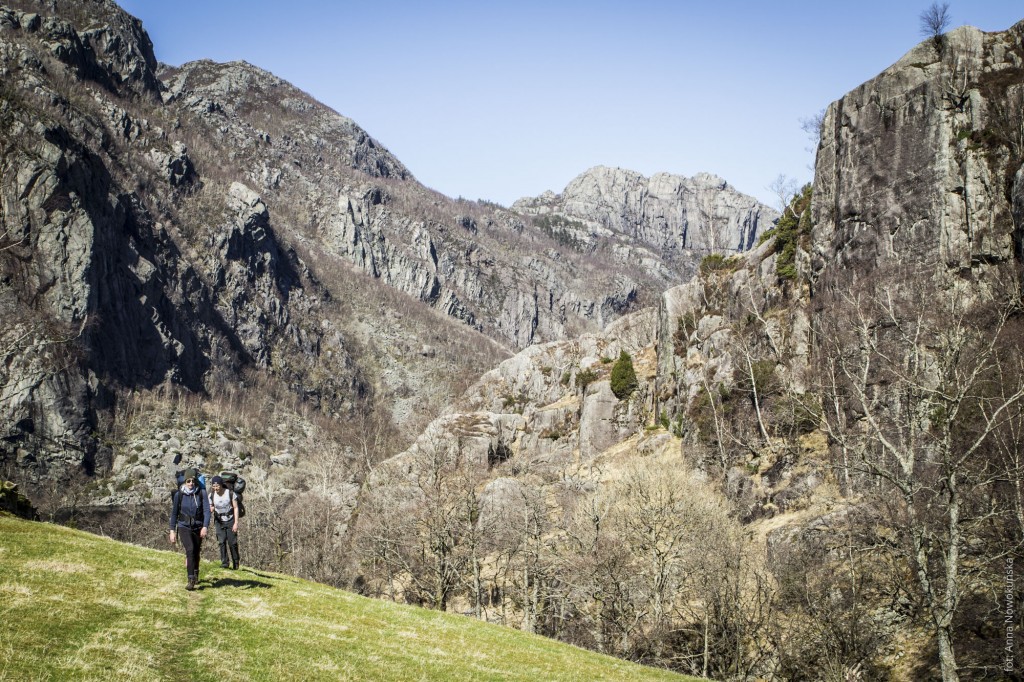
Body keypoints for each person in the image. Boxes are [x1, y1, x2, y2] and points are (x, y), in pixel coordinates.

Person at [168, 468, 209, 590]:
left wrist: (205, 526)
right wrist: (172, 530)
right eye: (188, 481)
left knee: (196, 551)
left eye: (193, 481)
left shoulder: (202, 493)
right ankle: (190, 579)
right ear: (184, 482)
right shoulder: (178, 495)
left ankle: (195, 572)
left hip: (198, 526)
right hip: (183, 526)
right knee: (190, 549)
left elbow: (207, 511)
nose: (191, 483)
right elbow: (174, 513)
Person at [208, 475, 240, 570]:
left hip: (230, 520)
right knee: (221, 542)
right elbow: (210, 506)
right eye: (214, 486)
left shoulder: (229, 493)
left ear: (221, 485)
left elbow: (236, 507)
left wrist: (236, 523)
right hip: (219, 520)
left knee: (232, 542)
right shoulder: (211, 495)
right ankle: (224, 562)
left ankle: (236, 561)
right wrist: (211, 508)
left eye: (217, 486)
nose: (216, 488)